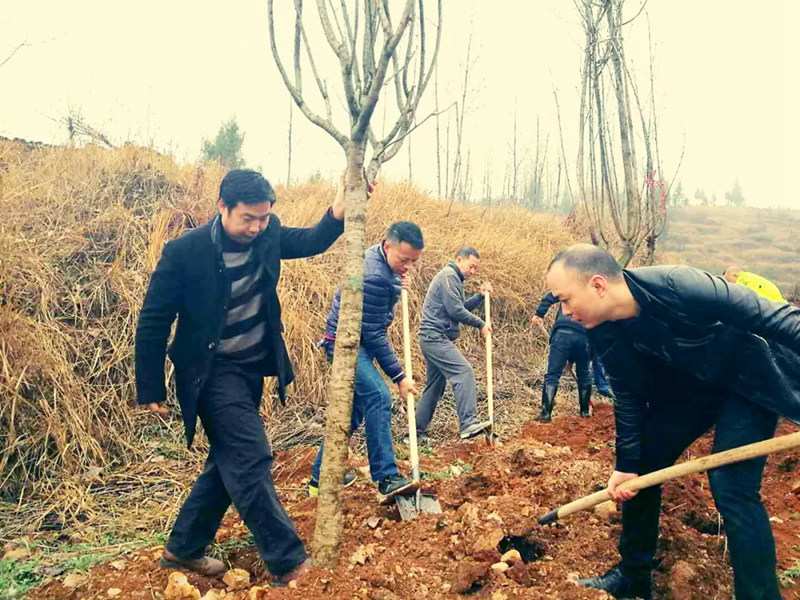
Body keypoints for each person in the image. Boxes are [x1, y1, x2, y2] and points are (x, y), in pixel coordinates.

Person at [545, 244, 800, 600]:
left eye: (566, 299)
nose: (565, 311)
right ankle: (633, 578)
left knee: (732, 484)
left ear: (598, 285)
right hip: (695, 388)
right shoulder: (601, 329)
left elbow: (776, 318)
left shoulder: (679, 285)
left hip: (748, 383)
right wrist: (626, 465)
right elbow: (628, 396)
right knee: (644, 464)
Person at [135, 169, 348, 585]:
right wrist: (150, 386)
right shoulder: (185, 253)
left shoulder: (267, 235)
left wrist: (339, 207)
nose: (256, 227)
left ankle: (183, 549)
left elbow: (310, 241)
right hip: (209, 373)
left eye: (264, 218)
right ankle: (288, 562)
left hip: (250, 369)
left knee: (227, 461)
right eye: (248, 218)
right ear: (222, 208)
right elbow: (154, 320)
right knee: (250, 458)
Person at [309, 222, 424, 497]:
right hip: (345, 344)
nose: (408, 266)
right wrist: (399, 377)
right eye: (404, 259)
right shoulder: (374, 275)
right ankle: (386, 476)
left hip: (355, 340)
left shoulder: (379, 261)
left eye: (413, 261)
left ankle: (319, 481)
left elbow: (379, 302)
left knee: (349, 415)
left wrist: (397, 284)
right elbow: (373, 332)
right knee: (379, 397)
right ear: (388, 247)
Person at [412, 247, 493, 443]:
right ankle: (468, 423)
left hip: (435, 338)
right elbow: (455, 310)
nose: (473, 272)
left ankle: (415, 434)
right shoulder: (449, 276)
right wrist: (481, 324)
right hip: (434, 337)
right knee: (463, 372)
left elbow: (459, 307)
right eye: (471, 267)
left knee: (435, 386)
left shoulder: (454, 279)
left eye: (476, 269)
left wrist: (480, 296)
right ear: (459, 259)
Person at [531, 292, 592, 421]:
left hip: (562, 335)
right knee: (584, 374)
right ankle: (585, 412)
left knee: (552, 375)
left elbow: (549, 298)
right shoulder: (595, 290)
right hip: (585, 337)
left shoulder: (567, 284)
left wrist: (539, 314)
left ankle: (545, 414)